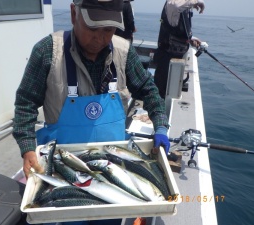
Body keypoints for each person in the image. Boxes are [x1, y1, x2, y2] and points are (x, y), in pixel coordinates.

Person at [13, 0, 171, 224]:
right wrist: (27, 148)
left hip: (115, 167)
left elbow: (150, 91)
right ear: (73, 13)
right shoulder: (47, 52)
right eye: (93, 28)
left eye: (109, 30)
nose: (100, 38)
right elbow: (25, 103)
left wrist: (161, 127)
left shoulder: (124, 52)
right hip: (63, 166)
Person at [153, 0, 205, 99]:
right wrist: (198, 2)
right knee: (160, 92)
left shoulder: (184, 8)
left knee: (171, 91)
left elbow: (177, 30)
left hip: (177, 58)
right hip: (166, 57)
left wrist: (190, 39)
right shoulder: (172, 4)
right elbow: (175, 5)